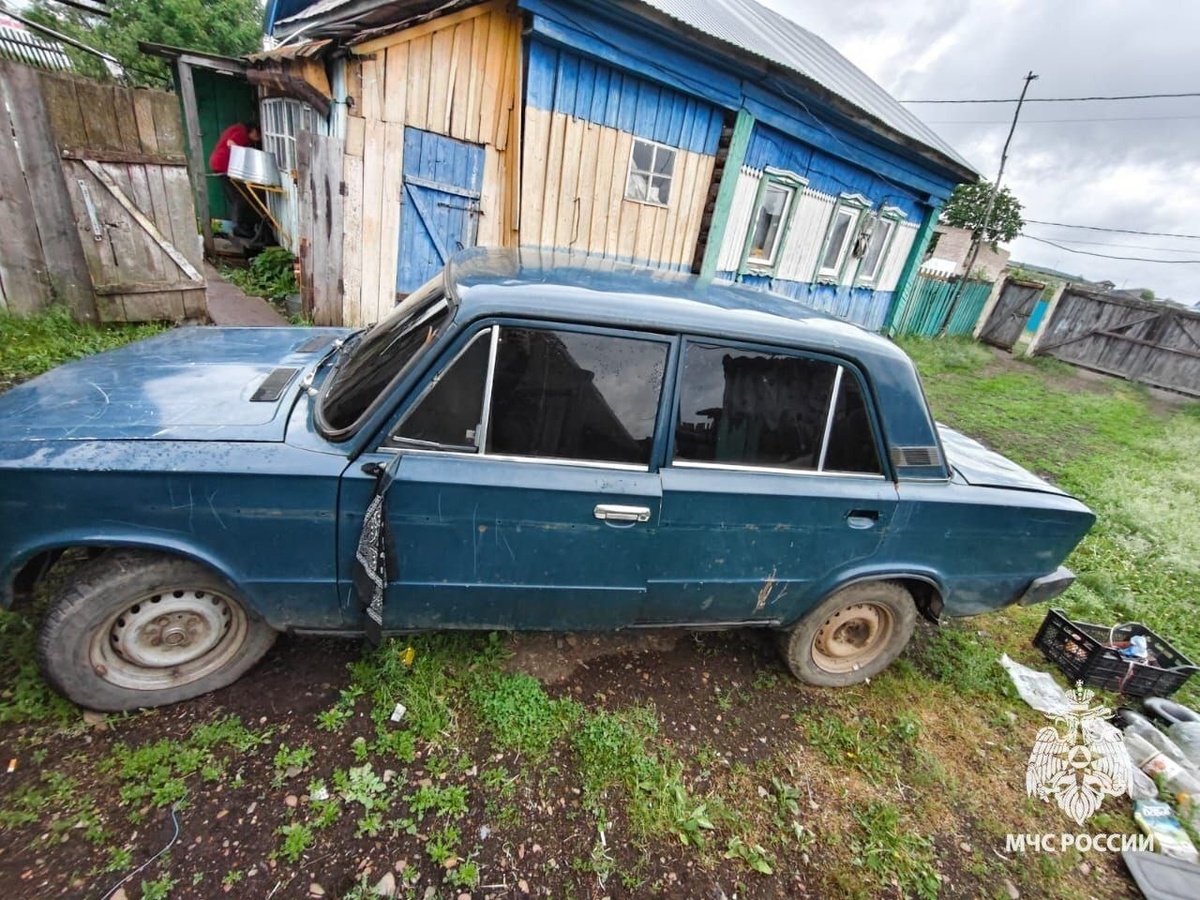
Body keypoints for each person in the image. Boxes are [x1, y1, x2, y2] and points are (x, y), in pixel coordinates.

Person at [209, 120, 261, 238]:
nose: (257, 138)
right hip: (224, 166)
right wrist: (243, 154)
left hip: (221, 164)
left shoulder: (237, 128)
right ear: (252, 131)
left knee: (236, 197)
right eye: (257, 135)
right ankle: (238, 227)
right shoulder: (241, 132)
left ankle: (240, 225)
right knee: (239, 197)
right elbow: (230, 143)